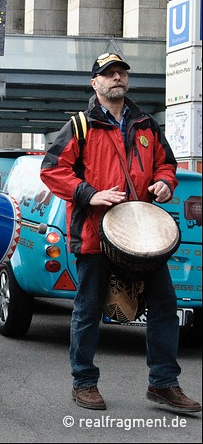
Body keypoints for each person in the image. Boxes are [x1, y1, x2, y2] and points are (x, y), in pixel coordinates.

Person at [40, 52, 201, 414]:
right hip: (96, 234)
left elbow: (166, 164)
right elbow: (52, 170)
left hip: (143, 236)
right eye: (108, 73)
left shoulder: (145, 124)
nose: (116, 78)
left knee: (164, 304)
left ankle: (163, 384)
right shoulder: (80, 126)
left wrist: (164, 182)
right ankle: (84, 382)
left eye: (121, 73)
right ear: (95, 83)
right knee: (88, 309)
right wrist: (90, 194)